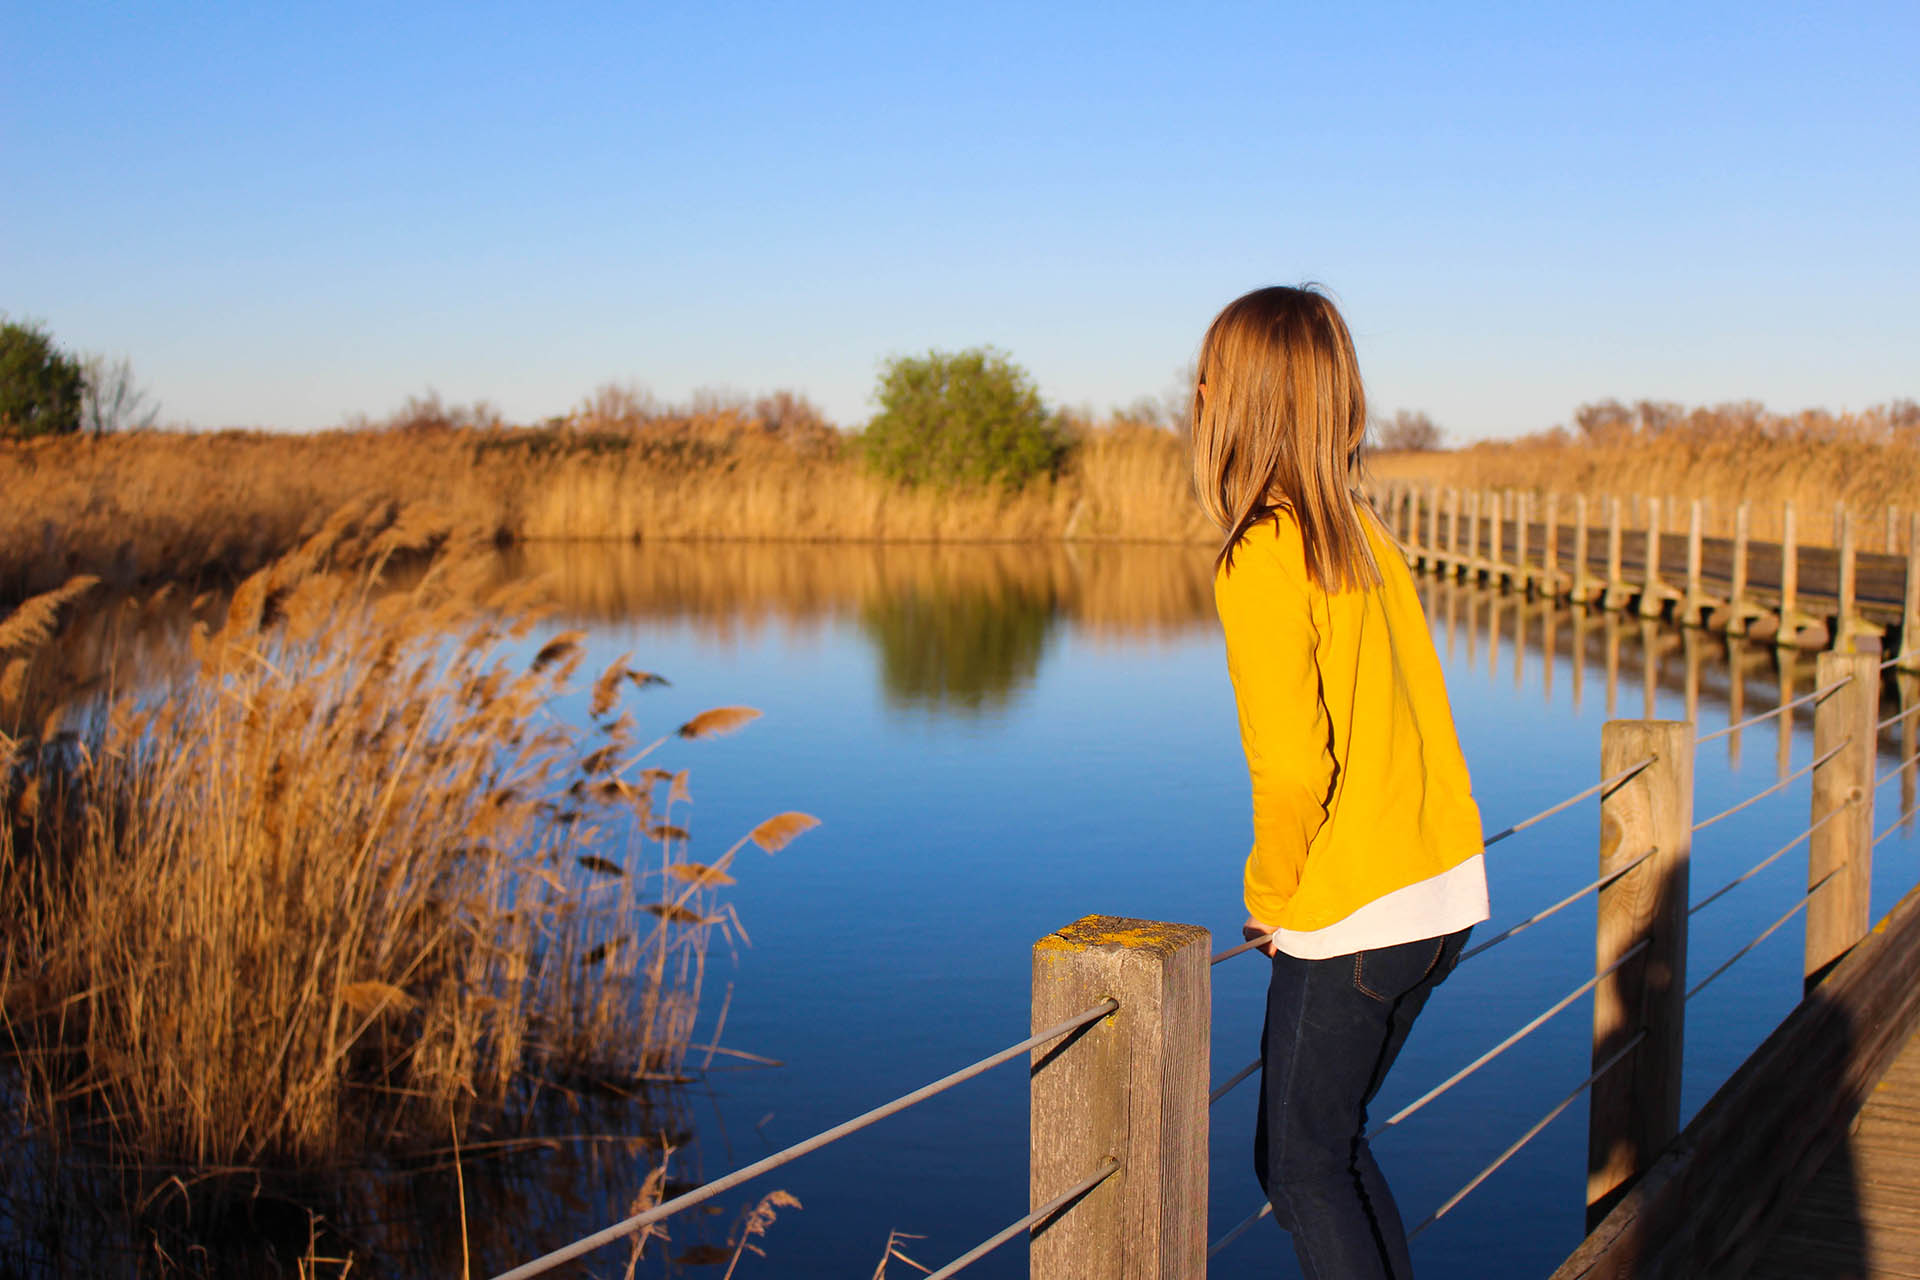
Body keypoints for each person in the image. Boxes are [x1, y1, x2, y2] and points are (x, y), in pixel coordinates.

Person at [1192, 285, 1489, 1279]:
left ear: (1238, 400)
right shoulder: (1363, 533)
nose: (1193, 393)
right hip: (1437, 889)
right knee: (1331, 1151)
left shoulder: (1263, 551)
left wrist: (1273, 900)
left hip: (1354, 903)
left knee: (1299, 1165)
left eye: (1206, 376)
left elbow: (1292, 765)